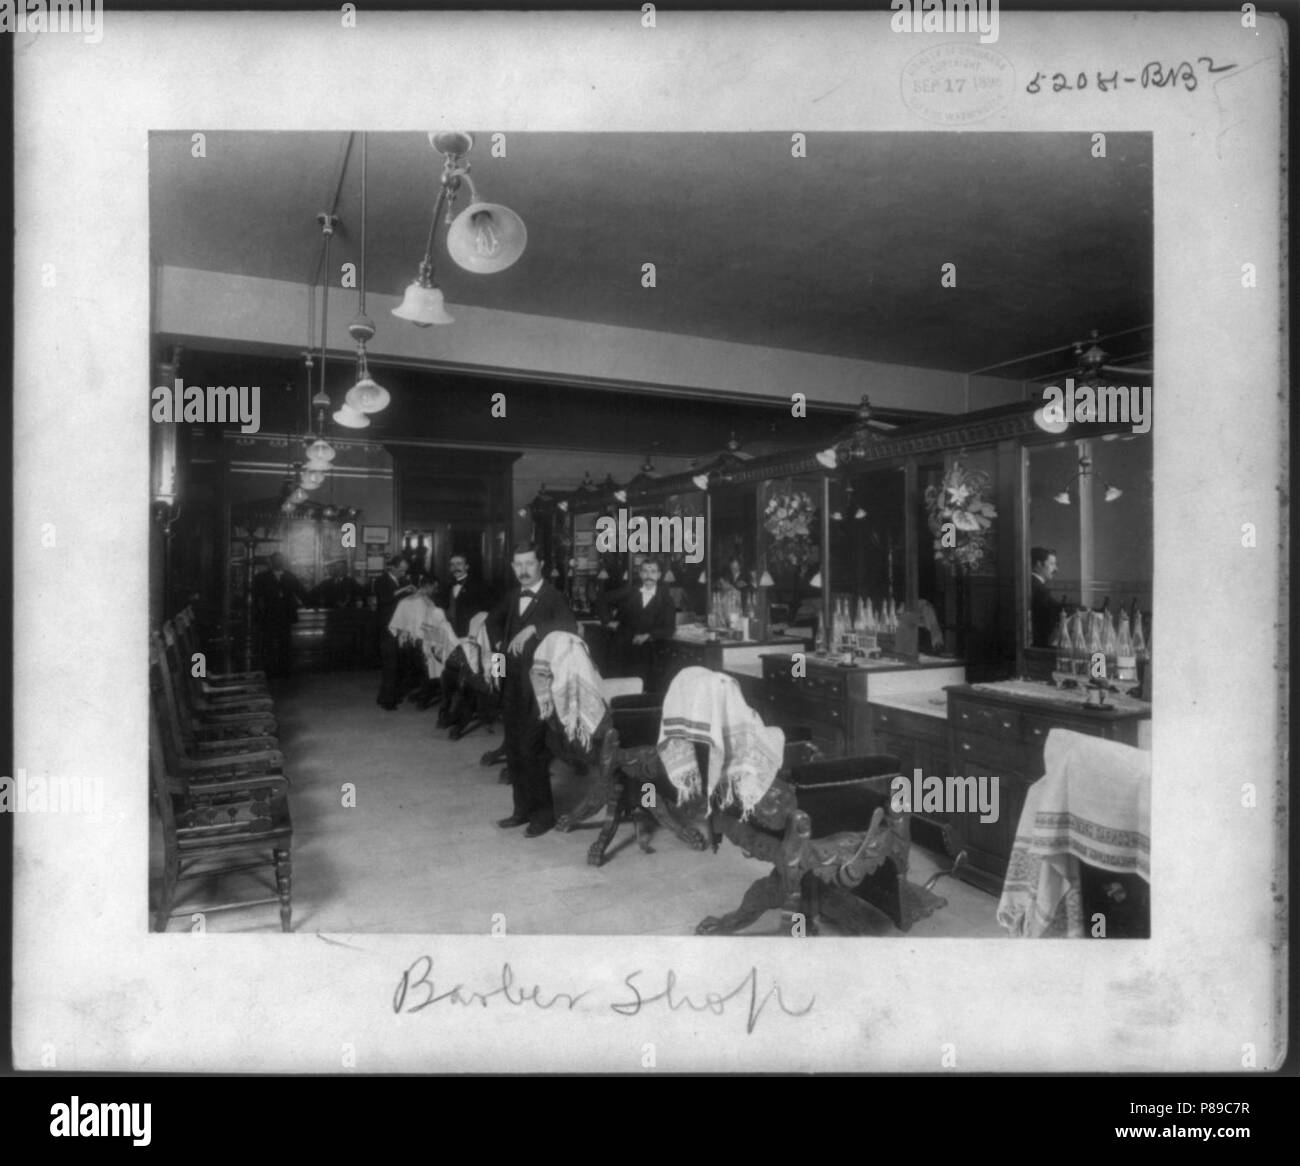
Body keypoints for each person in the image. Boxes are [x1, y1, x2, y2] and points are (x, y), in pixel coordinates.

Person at [486, 542, 578, 838]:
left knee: (533, 749)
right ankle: (521, 810)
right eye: (517, 565)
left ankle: (543, 816)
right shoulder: (512, 596)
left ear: (540, 564)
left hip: (540, 688)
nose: (523, 570)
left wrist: (534, 629)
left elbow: (569, 625)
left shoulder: (553, 596)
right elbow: (492, 622)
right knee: (514, 749)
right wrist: (499, 653)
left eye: (528, 564)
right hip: (512, 685)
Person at [595, 556, 677, 688]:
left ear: (659, 575)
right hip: (620, 649)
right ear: (640, 574)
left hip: (646, 653)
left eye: (653, 572)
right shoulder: (630, 591)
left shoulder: (666, 600)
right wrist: (607, 621)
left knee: (639, 688)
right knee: (616, 687)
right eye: (645, 571)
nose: (648, 576)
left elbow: (669, 628)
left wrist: (649, 635)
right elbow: (602, 599)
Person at [250, 553, 306, 678]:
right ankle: (269, 670)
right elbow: (255, 597)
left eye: (281, 560)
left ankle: (284, 670)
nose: (279, 563)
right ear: (271, 562)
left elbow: (301, 592)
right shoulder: (261, 577)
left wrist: (311, 602)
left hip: (285, 616)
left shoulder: (290, 576)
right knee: (268, 644)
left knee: (285, 644)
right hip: (269, 615)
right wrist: (258, 614)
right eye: (276, 560)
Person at [374, 555, 416, 710]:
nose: (404, 573)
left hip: (401, 628)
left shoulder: (404, 581)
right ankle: (387, 701)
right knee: (390, 664)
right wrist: (404, 589)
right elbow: (385, 599)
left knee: (398, 663)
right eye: (401, 570)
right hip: (387, 628)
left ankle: (385, 696)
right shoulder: (380, 581)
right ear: (392, 567)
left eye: (405, 570)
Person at [445, 554, 491, 638]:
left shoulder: (478, 586)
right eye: (452, 565)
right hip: (450, 636)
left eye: (459, 564)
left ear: (466, 566)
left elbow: (485, 610)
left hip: (470, 634)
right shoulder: (447, 587)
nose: (455, 567)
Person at [1030, 545, 1063, 648]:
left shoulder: (1035, 584)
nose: (1056, 569)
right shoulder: (1038, 587)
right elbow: (1054, 611)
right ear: (1039, 564)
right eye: (1052, 564)